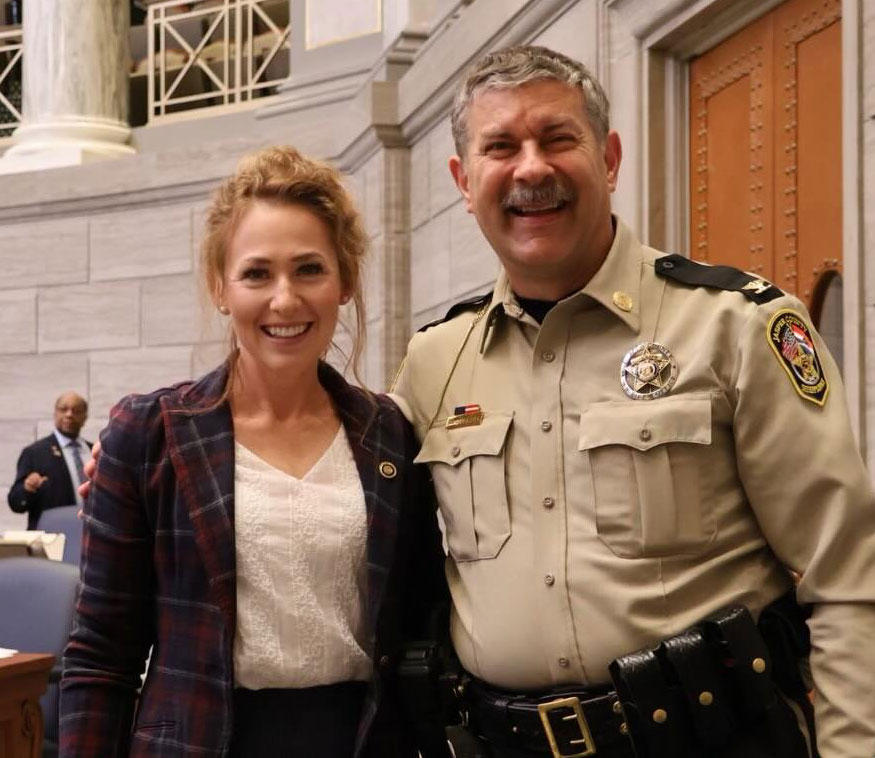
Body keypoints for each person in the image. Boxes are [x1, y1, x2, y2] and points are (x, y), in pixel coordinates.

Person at [390, 45, 875, 758]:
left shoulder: (734, 325)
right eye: (501, 147)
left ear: (609, 159)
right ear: (465, 181)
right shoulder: (435, 362)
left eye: (558, 138)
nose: (531, 169)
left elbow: (848, 579)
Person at [60, 146, 446, 758]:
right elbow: (102, 654)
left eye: (310, 269)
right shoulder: (150, 434)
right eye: (257, 274)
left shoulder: (390, 435)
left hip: (362, 741)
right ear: (221, 287)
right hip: (200, 739)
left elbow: (423, 620)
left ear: (345, 281)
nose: (285, 300)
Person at [7, 391, 90, 528]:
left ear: (85, 417)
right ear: (55, 413)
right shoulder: (35, 452)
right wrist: (27, 488)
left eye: (76, 410)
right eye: (63, 409)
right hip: (51, 534)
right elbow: (15, 502)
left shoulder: (96, 452)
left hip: (92, 533)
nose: (69, 414)